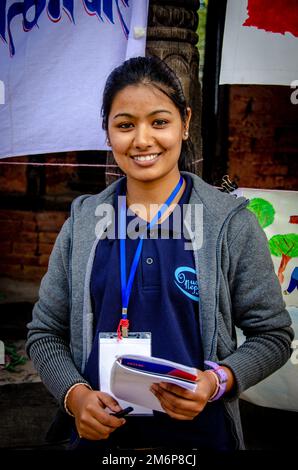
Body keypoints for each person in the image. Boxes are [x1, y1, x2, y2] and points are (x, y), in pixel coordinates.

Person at [26, 56, 294, 451]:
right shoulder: (83, 224)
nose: (142, 140)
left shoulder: (229, 223)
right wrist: (76, 396)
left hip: (199, 439)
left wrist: (217, 381)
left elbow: (272, 334)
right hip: (102, 444)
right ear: (108, 133)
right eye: (125, 125)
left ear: (185, 123)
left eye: (159, 121)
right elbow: (44, 333)